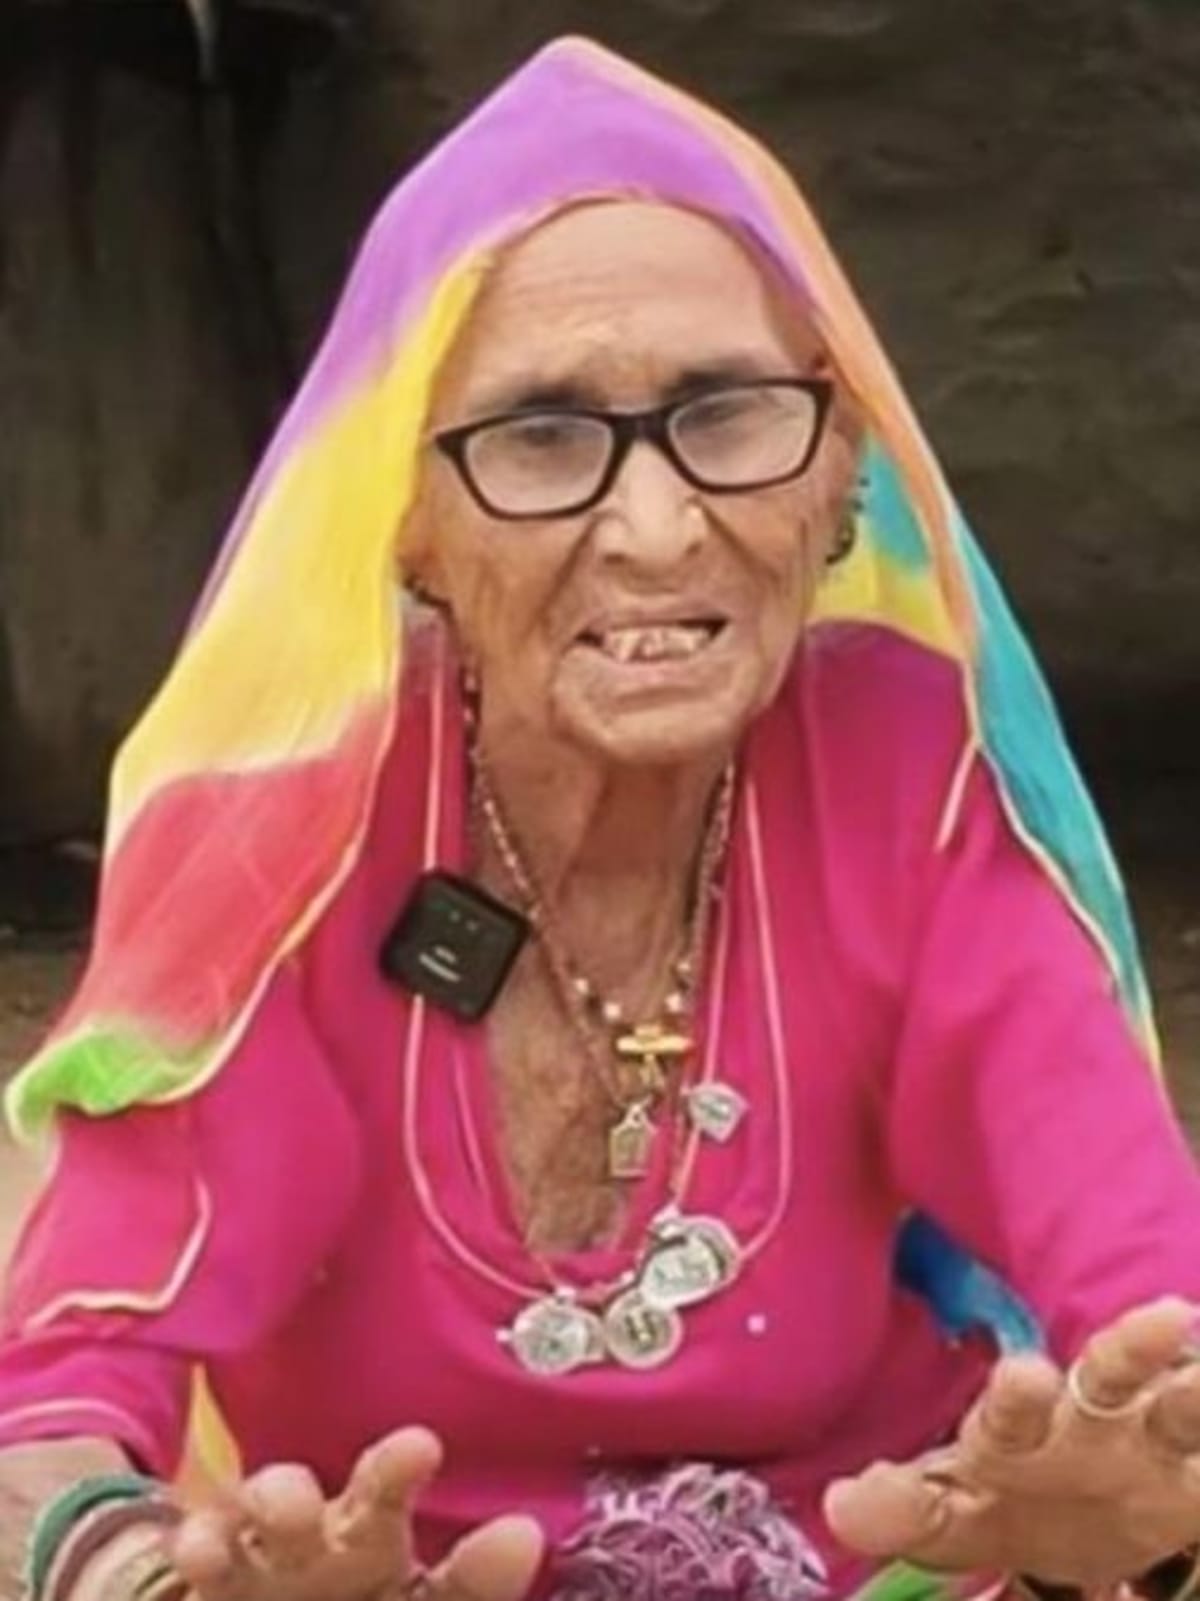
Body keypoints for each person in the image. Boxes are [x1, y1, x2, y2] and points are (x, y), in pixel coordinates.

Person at [2, 34, 1200, 1601]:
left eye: (730, 413)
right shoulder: (286, 836)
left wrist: (1141, 1517)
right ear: (407, 520)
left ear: (842, 468)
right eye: (542, 437)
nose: (655, 528)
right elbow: (63, 1382)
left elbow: (1145, 1295)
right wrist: (137, 1573)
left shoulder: (909, 767)